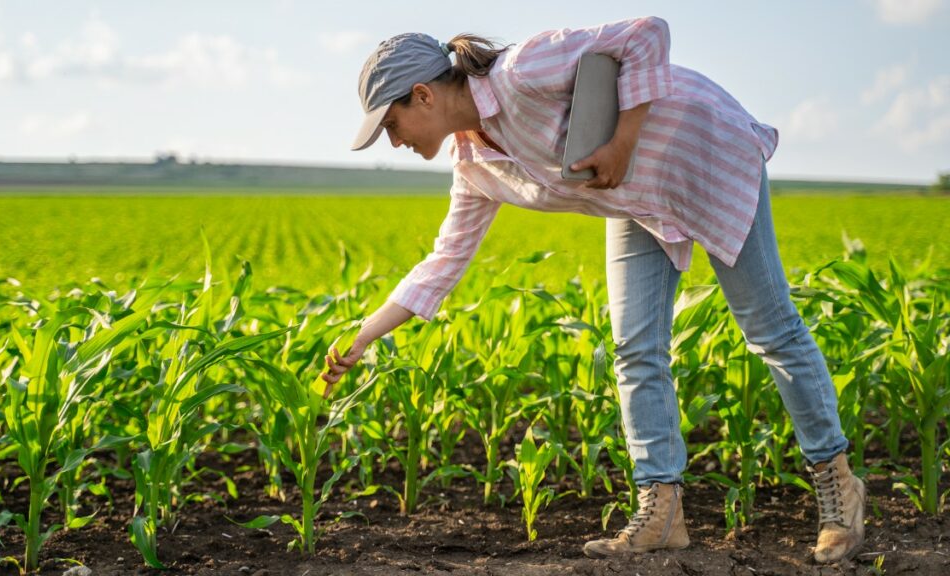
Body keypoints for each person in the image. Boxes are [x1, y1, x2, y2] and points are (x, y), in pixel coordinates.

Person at [322, 17, 865, 563]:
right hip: (637, 198)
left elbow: (647, 33)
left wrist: (624, 141)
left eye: (391, 124)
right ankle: (663, 511)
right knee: (634, 347)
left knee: (768, 328)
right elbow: (444, 261)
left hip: (701, 152)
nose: (392, 141)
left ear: (422, 95)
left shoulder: (521, 71)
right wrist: (365, 336)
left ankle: (838, 487)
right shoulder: (474, 165)